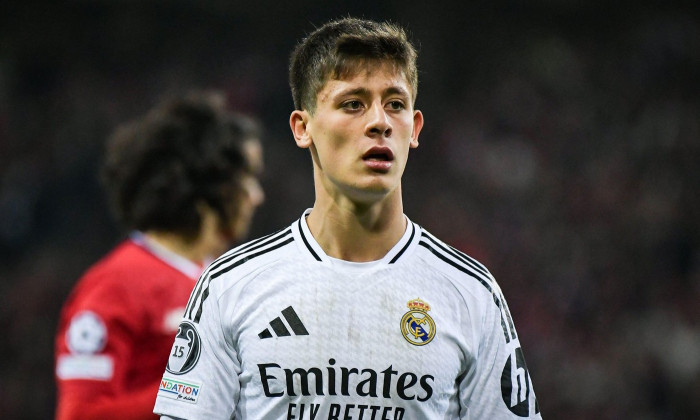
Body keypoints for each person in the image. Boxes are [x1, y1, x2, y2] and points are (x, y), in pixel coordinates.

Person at [154, 17, 541, 419]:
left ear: (414, 128)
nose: (379, 122)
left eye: (395, 104)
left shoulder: (470, 295)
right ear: (303, 128)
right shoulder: (230, 287)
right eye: (353, 104)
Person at [54, 91, 265, 420]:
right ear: (211, 183)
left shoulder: (227, 279)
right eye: (248, 179)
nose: (256, 196)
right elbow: (80, 414)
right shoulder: (116, 284)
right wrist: (194, 389)